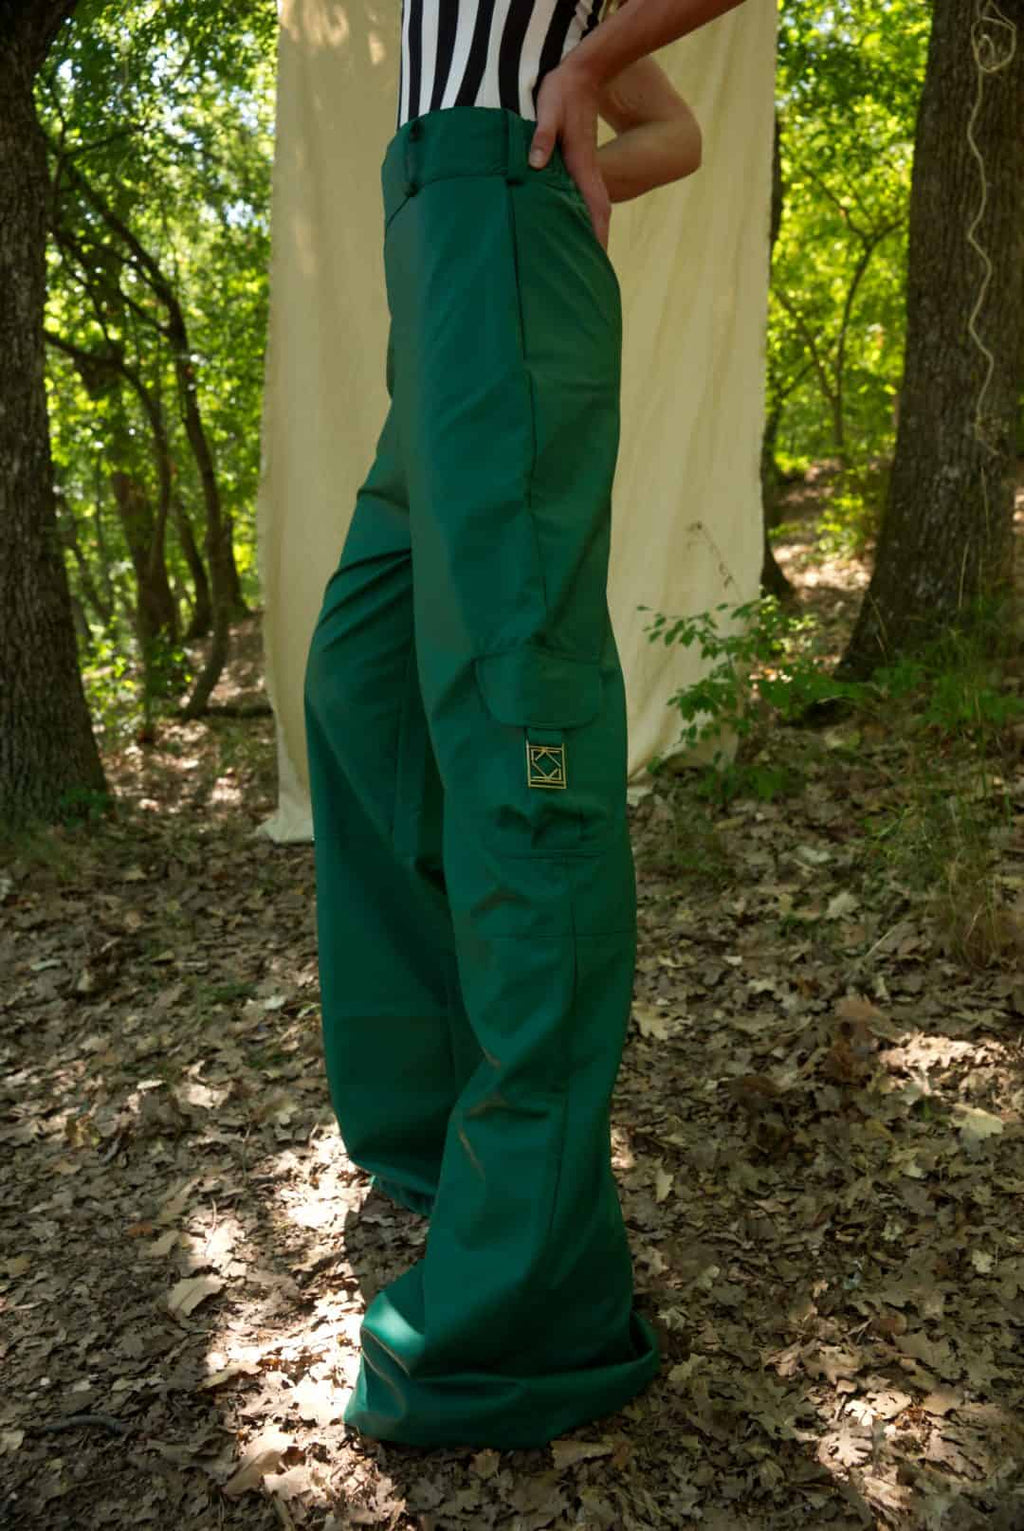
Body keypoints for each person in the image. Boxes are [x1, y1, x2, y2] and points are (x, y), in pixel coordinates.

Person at [303, 0, 747, 1450]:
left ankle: (530, 1302)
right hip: (444, 264)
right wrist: (592, 97)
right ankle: (450, 1141)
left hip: (496, 241)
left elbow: (641, 111)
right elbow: (668, 128)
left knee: (518, 721)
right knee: (363, 692)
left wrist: (562, 96)